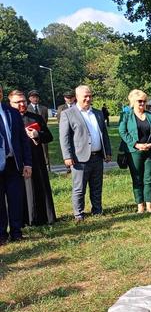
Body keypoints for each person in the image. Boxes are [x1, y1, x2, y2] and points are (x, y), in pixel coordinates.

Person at [59, 85, 112, 222]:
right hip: (79, 158)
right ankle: (79, 214)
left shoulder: (98, 113)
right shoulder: (68, 114)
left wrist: (108, 151)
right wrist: (67, 156)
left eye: (90, 96)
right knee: (79, 188)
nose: (88, 99)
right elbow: (64, 138)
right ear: (77, 97)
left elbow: (104, 134)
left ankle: (97, 210)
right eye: (85, 96)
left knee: (97, 186)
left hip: (97, 156)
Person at [8, 90, 56, 226]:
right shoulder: (7, 118)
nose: (22, 104)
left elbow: (49, 137)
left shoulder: (36, 117)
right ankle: (23, 220)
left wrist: (37, 134)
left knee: (38, 187)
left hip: (36, 158)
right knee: (21, 190)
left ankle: (42, 217)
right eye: (18, 102)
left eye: (23, 101)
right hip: (16, 161)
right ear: (10, 103)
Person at [119, 89, 151, 213]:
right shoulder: (126, 115)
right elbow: (123, 132)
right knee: (137, 178)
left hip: (150, 150)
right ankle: (140, 205)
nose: (142, 104)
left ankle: (149, 205)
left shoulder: (150, 115)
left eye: (144, 101)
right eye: (139, 101)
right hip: (134, 151)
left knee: (148, 178)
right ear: (133, 102)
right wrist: (136, 144)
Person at [0, 85, 33, 244]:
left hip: (14, 164)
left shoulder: (11, 113)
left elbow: (23, 140)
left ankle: (16, 231)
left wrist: (27, 163)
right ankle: (1, 234)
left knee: (15, 199)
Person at [28, 90, 50, 170]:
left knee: (45, 150)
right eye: (33, 97)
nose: (35, 99)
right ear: (30, 98)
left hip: (42, 133)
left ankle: (47, 166)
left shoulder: (44, 108)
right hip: (31, 133)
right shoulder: (27, 108)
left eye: (37, 97)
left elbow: (45, 120)